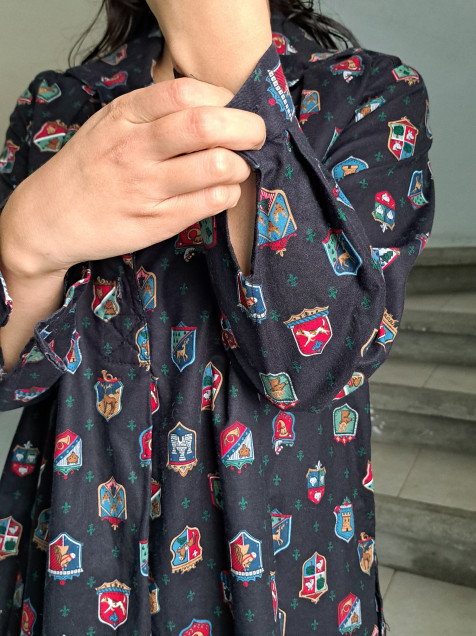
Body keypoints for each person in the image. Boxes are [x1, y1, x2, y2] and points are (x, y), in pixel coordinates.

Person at [0, 0, 434, 634]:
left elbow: (311, 364)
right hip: (74, 557)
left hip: (286, 568)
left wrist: (239, 76)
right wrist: (24, 247)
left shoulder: (368, 93)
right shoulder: (58, 105)